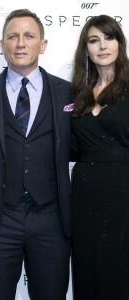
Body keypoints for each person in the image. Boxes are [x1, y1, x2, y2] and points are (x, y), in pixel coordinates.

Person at [0, 8, 72, 300]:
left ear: (43, 44)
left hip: (51, 217)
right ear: (3, 46)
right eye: (12, 36)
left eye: (29, 36)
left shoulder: (68, 93)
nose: (20, 43)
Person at [70, 15, 129, 299]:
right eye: (94, 40)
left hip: (124, 192)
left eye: (109, 37)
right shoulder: (76, 95)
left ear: (120, 43)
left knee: (120, 271)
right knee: (88, 268)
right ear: (87, 49)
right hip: (85, 195)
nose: (102, 45)